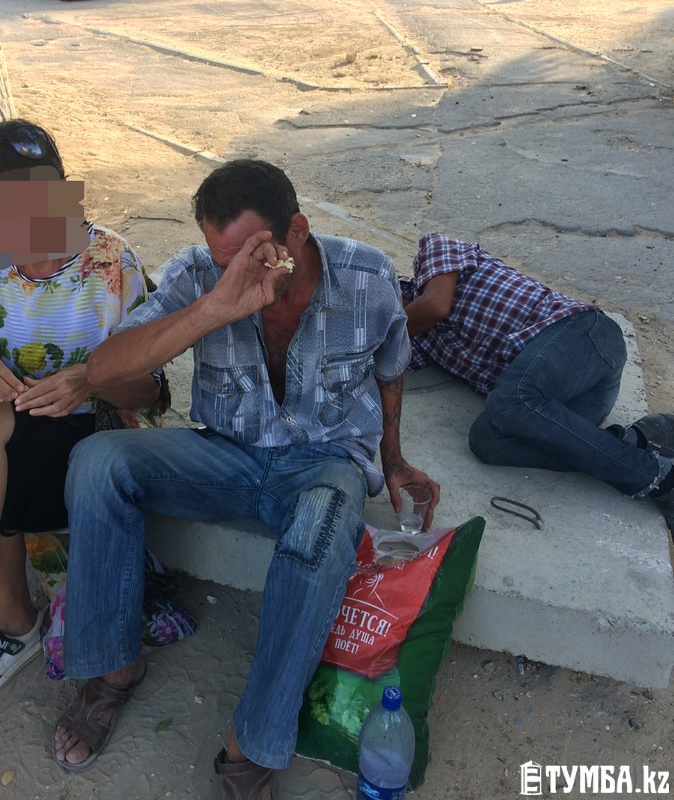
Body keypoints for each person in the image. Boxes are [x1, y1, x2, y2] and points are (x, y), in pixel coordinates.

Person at [52, 159, 440, 797]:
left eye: (253, 255)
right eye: (222, 259)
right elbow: (105, 368)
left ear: (297, 232)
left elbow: (391, 367)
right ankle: (113, 671)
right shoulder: (199, 276)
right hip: (226, 454)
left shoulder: (366, 276)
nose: (236, 272)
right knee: (98, 461)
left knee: (320, 532)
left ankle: (252, 744)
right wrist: (214, 307)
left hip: (323, 462)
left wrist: (393, 460)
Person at [0, 119, 168, 781]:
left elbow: (152, 387)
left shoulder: (111, 261)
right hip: (17, 439)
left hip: (101, 439)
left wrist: (90, 379)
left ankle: (14, 626)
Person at [400, 232, 674, 534]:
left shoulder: (434, 251)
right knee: (486, 440)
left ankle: (661, 479)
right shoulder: (418, 343)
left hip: (585, 337)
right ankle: (627, 443)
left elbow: (435, 306)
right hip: (563, 409)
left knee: (510, 400)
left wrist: (390, 331)